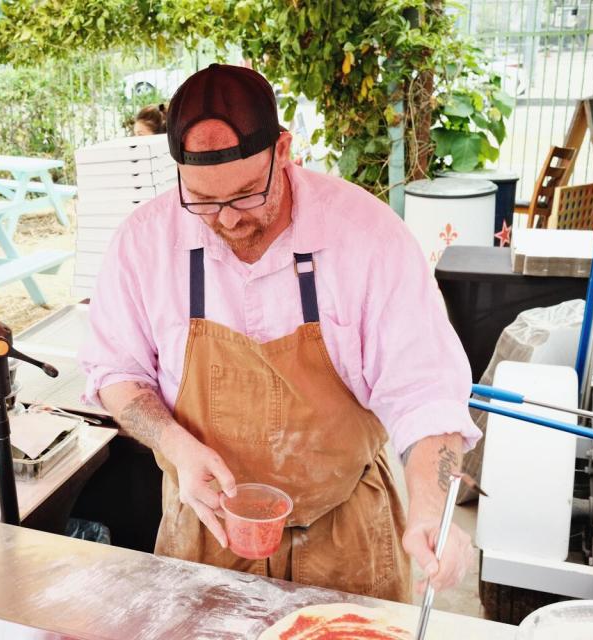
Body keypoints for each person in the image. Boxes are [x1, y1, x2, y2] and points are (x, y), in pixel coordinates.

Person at [79, 64, 480, 603]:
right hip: (207, 532)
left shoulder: (368, 238)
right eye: (202, 198)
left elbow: (425, 394)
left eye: (246, 194)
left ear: (284, 151)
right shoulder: (145, 242)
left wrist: (433, 510)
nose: (226, 219)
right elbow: (116, 373)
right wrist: (176, 446)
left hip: (347, 538)